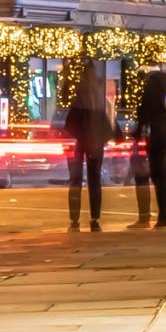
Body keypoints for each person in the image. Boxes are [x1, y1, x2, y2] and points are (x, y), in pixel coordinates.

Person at [61, 62, 114, 230]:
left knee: (75, 181)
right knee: (95, 180)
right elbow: (108, 127)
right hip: (95, 144)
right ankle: (95, 219)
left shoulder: (78, 101)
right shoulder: (98, 103)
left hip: (79, 144)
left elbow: (69, 125)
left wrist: (80, 136)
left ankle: (74, 220)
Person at [131, 68, 166, 226]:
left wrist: (135, 135)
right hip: (164, 139)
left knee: (152, 177)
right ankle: (164, 213)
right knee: (162, 178)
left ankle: (150, 215)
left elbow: (140, 124)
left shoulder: (147, 100)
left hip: (152, 140)